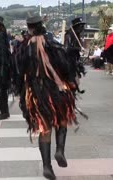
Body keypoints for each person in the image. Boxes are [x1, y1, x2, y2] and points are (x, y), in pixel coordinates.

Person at [17, 15, 76, 180]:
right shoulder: (53, 44)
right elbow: (65, 66)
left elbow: (19, 72)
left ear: (29, 28)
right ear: (41, 26)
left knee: (45, 128)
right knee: (62, 119)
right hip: (56, 91)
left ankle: (47, 166)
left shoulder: (24, 47)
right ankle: (60, 150)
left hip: (36, 93)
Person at [64, 17, 86, 94]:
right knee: (72, 82)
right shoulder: (69, 34)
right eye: (81, 26)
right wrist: (79, 48)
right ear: (76, 26)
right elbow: (67, 49)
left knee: (76, 81)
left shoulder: (77, 34)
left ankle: (72, 100)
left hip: (74, 60)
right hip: (69, 61)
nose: (82, 28)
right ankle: (70, 101)